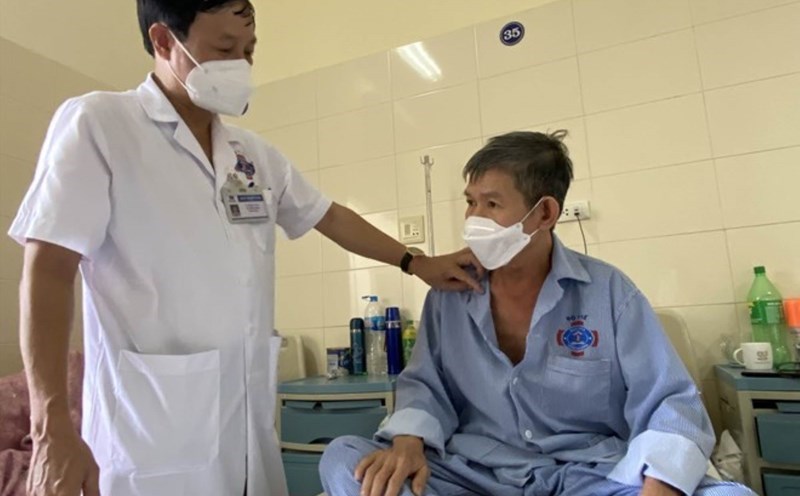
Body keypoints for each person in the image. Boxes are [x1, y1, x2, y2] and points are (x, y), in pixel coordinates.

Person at [8, 2, 483, 496]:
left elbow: (329, 215)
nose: (242, 65)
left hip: (249, 433)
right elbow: (48, 269)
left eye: (249, 51)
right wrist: (51, 429)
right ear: (165, 41)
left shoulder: (250, 155)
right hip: (151, 433)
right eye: (224, 49)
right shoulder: (100, 123)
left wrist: (416, 262)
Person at [319, 131, 756, 496]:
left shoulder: (608, 292)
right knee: (346, 459)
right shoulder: (449, 295)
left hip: (589, 475)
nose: (474, 219)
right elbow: (426, 387)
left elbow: (670, 400)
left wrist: (661, 483)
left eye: (491, 205)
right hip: (477, 474)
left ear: (544, 212)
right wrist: (408, 442)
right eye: (470, 202)